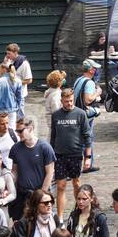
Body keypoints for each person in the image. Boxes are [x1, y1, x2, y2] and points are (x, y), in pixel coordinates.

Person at [50, 88, 91, 220]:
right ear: (61, 101)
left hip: (75, 154)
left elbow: (87, 136)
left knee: (76, 183)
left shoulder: (80, 114)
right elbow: (53, 136)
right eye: (67, 101)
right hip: (59, 155)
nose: (69, 103)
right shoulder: (56, 115)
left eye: (71, 101)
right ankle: (61, 217)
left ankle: (80, 210)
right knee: (61, 186)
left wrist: (88, 157)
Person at [7, 118, 55, 222]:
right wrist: (9, 187)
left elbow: (50, 173)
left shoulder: (45, 148)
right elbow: (14, 171)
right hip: (22, 195)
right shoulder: (15, 148)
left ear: (30, 128)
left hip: (38, 194)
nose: (18, 134)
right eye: (17, 131)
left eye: (21, 131)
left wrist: (41, 195)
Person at [72, 60, 103, 174]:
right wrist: (98, 92)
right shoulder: (89, 83)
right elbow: (87, 99)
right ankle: (86, 165)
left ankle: (82, 164)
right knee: (87, 139)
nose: (96, 71)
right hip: (85, 116)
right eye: (95, 69)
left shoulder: (78, 80)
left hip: (78, 113)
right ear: (91, 70)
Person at [0, 62, 24, 127]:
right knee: (12, 132)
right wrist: (19, 112)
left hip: (0, 111)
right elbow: (20, 98)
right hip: (12, 110)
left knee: (1, 132)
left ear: (4, 69)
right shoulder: (18, 81)